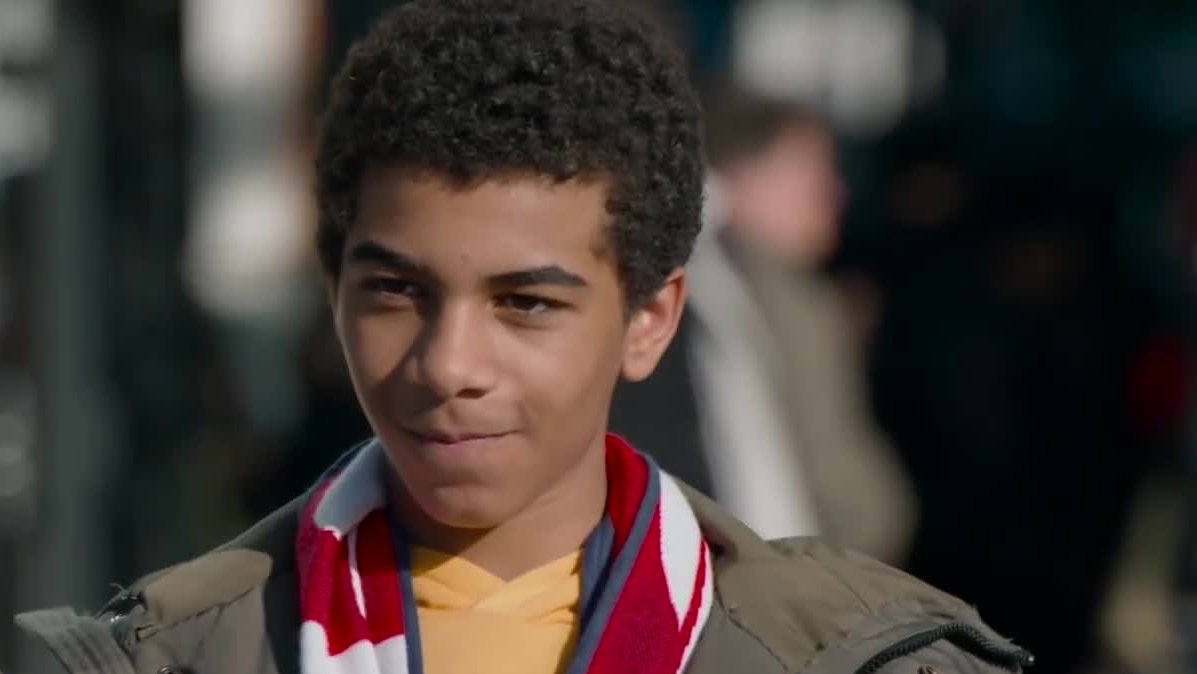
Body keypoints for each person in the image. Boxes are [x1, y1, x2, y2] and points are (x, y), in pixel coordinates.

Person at [15, 2, 1031, 673]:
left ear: (650, 318)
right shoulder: (177, 653)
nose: (449, 365)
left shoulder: (853, 652)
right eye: (396, 291)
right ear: (334, 292)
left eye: (526, 304)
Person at [610, 90, 917, 562]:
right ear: (738, 180)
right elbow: (839, 489)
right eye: (812, 178)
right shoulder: (737, 298)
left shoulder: (758, 295)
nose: (837, 196)